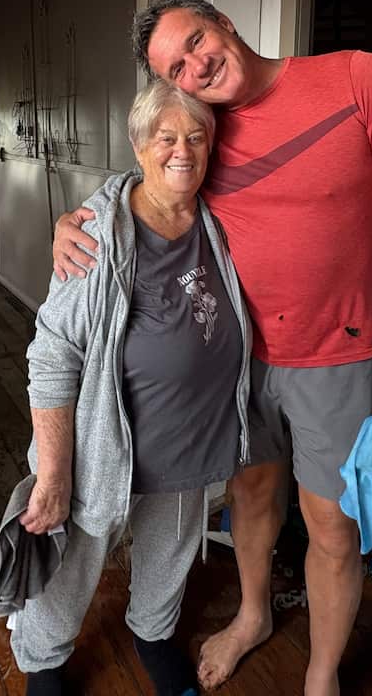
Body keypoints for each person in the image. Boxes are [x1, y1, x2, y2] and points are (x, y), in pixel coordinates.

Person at [53, 0, 372, 696]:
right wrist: (81, 217)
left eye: (196, 40)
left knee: (331, 526)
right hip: (236, 359)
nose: (196, 64)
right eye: (177, 67)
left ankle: (322, 672)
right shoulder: (203, 129)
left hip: (339, 358)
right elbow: (157, 171)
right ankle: (253, 616)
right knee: (248, 494)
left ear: (225, 24)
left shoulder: (359, 79)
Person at [14, 80, 252, 696]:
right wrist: (52, 470)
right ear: (139, 144)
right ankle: (44, 662)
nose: (183, 151)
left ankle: (153, 632)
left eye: (196, 137)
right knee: (69, 562)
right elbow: (53, 351)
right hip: (105, 445)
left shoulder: (223, 219)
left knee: (171, 553)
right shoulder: (95, 230)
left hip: (194, 440)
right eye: (166, 137)